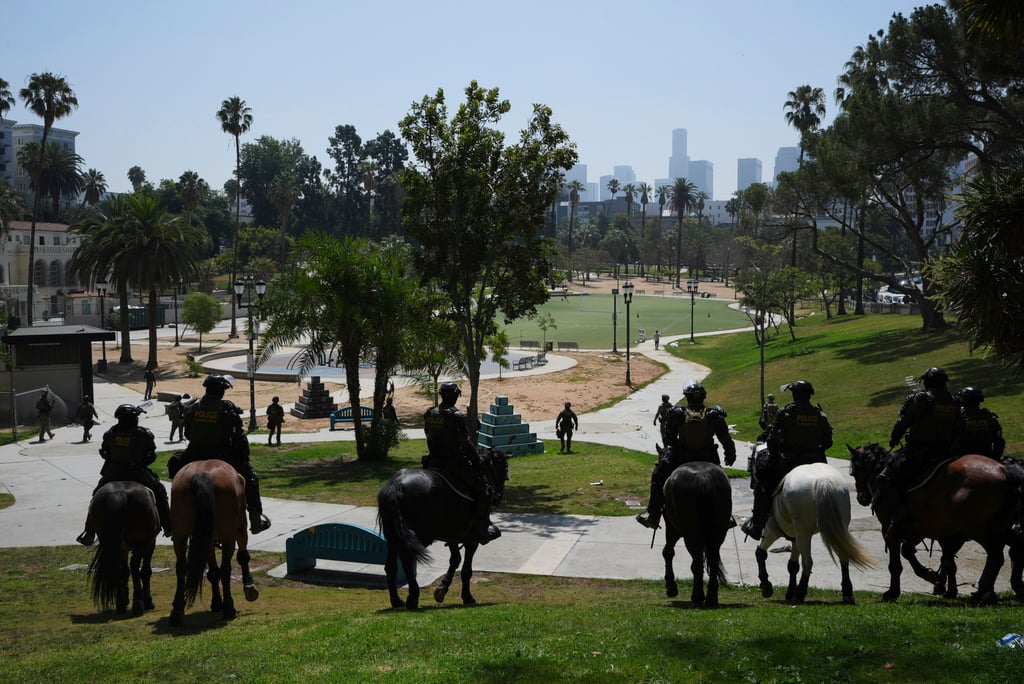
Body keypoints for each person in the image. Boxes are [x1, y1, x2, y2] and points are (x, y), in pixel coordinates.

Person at [169, 374, 271, 535]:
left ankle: (173, 522)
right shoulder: (226, 410)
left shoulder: (194, 408)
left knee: (175, 470)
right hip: (222, 454)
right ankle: (255, 520)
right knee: (250, 479)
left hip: (194, 453)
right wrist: (243, 454)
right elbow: (238, 437)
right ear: (222, 392)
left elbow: (187, 432)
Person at [874, 366, 959, 543]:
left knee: (884, 479)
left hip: (919, 452)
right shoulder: (954, 401)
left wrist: (894, 438)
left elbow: (904, 421)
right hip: (946, 453)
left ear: (927, 382)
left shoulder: (921, 399)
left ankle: (899, 519)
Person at [636, 383, 736, 530]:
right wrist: (730, 454)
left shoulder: (677, 413)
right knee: (723, 482)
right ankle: (726, 517)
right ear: (703, 397)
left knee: (658, 475)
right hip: (709, 457)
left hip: (682, 456)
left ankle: (653, 515)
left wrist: (679, 444)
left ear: (687, 397)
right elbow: (725, 439)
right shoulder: (714, 414)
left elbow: (668, 438)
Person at [741, 380, 832, 540]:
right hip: (815, 460)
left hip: (789, 460)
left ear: (795, 394)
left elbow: (772, 441)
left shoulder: (787, 412)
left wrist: (778, 450)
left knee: (763, 482)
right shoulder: (819, 414)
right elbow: (828, 442)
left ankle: (757, 524)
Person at [76, 404, 172, 546]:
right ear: (133, 418)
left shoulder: (111, 433)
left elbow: (105, 453)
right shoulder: (144, 434)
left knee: (96, 495)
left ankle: (89, 531)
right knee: (159, 490)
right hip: (137, 472)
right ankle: (167, 525)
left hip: (113, 472)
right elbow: (150, 456)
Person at [423, 382, 500, 544]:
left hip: (433, 462)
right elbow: (465, 443)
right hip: (453, 464)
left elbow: (428, 434)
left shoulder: (430, 413)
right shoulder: (456, 416)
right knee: (484, 491)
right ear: (453, 396)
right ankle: (482, 529)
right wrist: (476, 461)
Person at [952, 387, 1005, 460]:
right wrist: (995, 457)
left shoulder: (957, 416)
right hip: (986, 456)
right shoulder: (989, 416)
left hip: (961, 457)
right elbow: (999, 441)